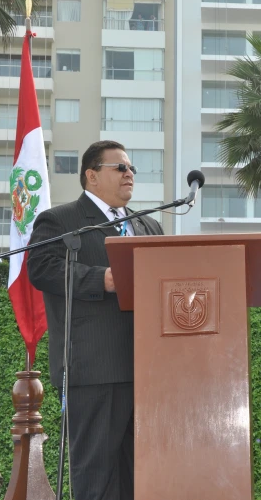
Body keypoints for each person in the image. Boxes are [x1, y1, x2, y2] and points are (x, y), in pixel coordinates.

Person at [28, 140, 164, 500]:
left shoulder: (148, 225)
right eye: (120, 167)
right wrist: (101, 279)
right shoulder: (61, 220)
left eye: (132, 167)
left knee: (144, 477)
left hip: (148, 372)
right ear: (91, 175)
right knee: (97, 479)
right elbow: (41, 268)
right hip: (93, 368)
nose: (129, 173)